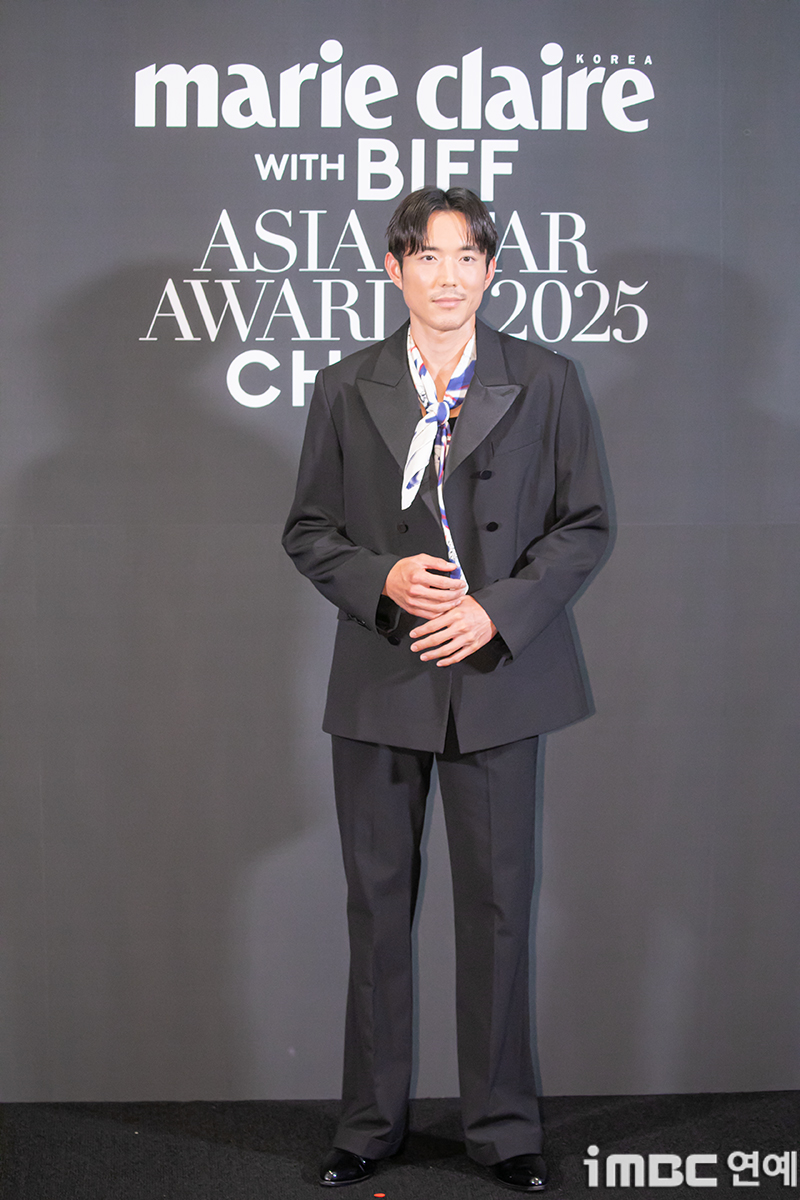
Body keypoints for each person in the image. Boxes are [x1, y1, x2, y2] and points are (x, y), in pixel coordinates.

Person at [282, 186, 609, 1192]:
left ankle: (504, 1131)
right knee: (377, 909)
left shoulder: (545, 379)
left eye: (468, 256)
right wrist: (381, 578)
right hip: (385, 675)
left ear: (492, 270)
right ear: (395, 269)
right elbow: (309, 531)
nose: (449, 275)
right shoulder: (346, 385)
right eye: (428, 256)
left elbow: (584, 525)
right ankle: (368, 1125)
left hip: (498, 676)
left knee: (499, 910)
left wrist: (497, 612)